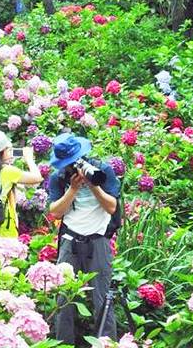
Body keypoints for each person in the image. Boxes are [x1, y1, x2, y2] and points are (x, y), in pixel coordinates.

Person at [48, 133, 120, 344]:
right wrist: (73, 188)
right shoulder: (59, 177)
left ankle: (106, 344)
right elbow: (56, 212)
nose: (72, 167)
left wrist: (93, 185)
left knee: (102, 300)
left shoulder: (103, 170)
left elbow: (111, 207)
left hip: (98, 240)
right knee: (63, 299)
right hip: (70, 240)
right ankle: (64, 343)